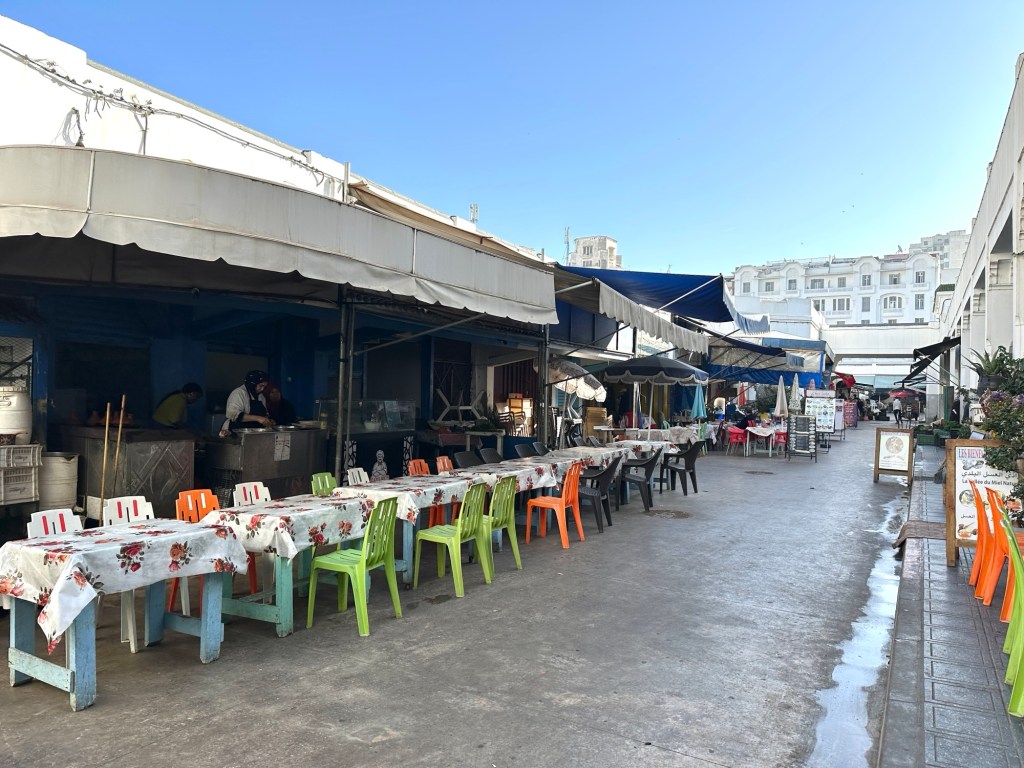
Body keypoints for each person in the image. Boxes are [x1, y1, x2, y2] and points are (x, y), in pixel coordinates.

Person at [219, 370, 272, 437]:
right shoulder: (239, 393)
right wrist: (258, 418)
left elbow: (264, 413)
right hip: (235, 431)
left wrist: (267, 420)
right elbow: (233, 414)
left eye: (264, 386)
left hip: (253, 433)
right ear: (252, 384)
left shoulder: (261, 396)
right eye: (261, 386)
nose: (262, 389)